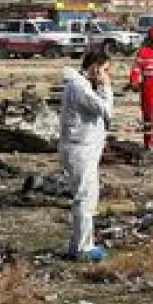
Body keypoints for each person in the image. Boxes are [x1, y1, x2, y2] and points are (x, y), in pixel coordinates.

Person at [60, 48, 114, 261]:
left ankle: (80, 244)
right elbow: (105, 110)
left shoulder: (80, 86)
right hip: (80, 149)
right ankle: (83, 248)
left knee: (87, 198)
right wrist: (106, 87)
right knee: (84, 199)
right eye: (105, 70)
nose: (106, 75)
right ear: (94, 67)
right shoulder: (80, 87)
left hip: (84, 148)